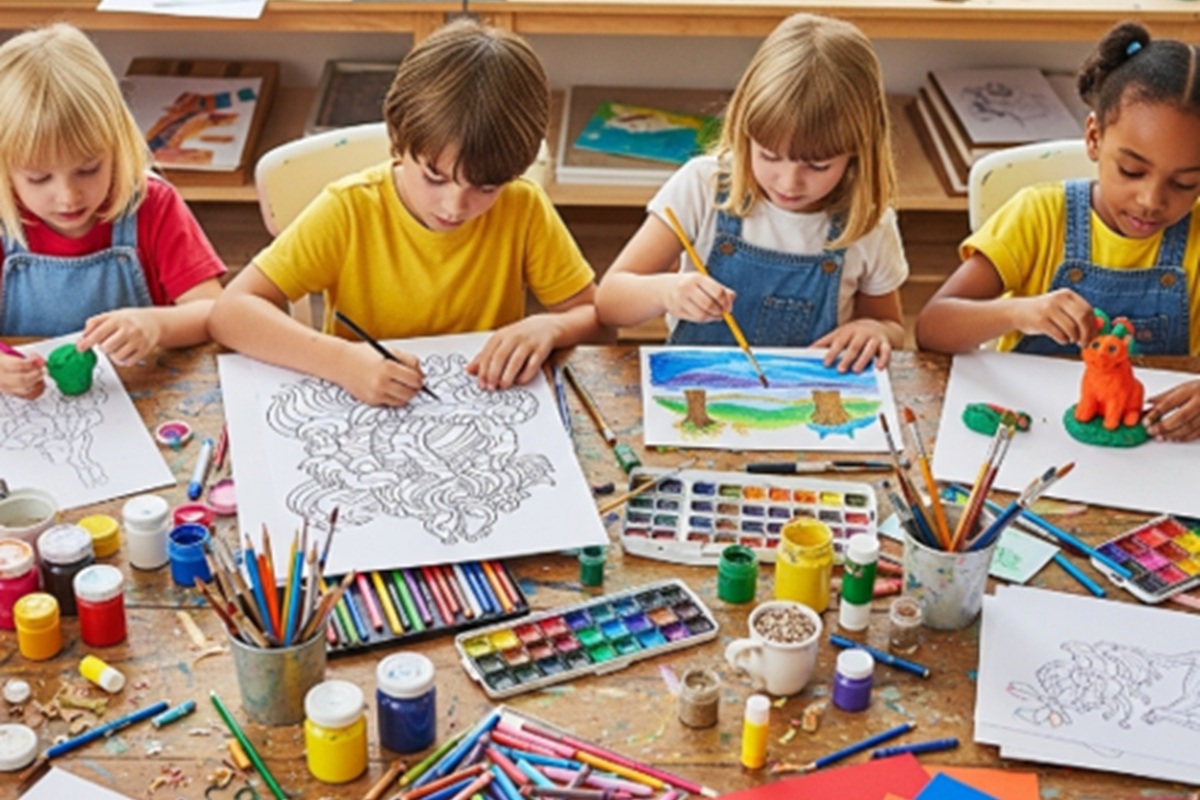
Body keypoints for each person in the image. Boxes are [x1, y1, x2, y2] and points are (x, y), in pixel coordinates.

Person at [210, 19, 606, 407]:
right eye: (435, 177)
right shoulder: (350, 209)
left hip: (484, 410)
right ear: (399, 141)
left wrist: (552, 326)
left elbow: (600, 321)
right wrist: (341, 361)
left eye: (486, 187)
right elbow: (230, 314)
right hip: (363, 411)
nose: (455, 206)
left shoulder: (522, 207)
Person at [915, 22, 1200, 441]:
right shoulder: (1040, 215)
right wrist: (1020, 312)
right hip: (1033, 437)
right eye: (1131, 171)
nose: (1151, 200)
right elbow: (931, 327)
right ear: (1094, 138)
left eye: (1185, 184)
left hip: (1154, 447)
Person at [594, 13, 908, 373]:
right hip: (697, 385)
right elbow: (609, 302)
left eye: (818, 166)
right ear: (745, 132)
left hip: (809, 394)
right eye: (769, 156)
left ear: (858, 150)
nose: (789, 183)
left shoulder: (869, 222)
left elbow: (891, 326)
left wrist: (875, 331)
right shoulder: (703, 186)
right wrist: (665, 292)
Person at [0, 23, 226, 400]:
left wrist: (157, 325)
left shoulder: (151, 205)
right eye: (39, 178)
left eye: (89, 169)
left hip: (144, 402)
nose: (68, 197)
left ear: (116, 144)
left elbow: (217, 312)